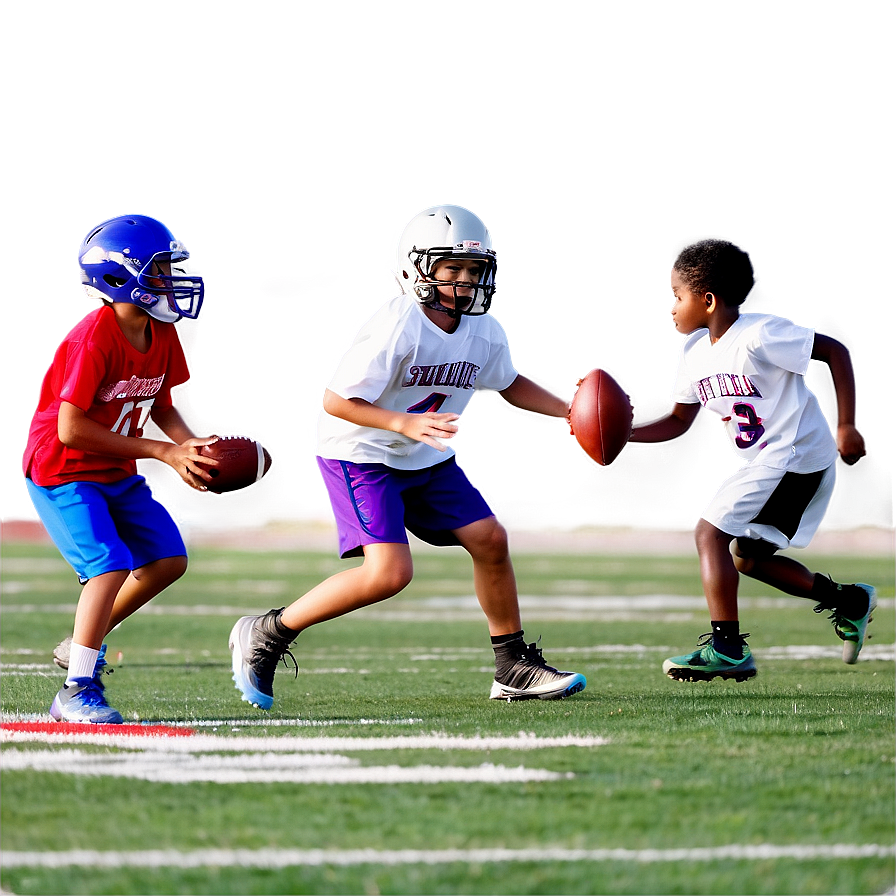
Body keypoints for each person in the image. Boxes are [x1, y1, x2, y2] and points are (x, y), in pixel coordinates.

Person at [229, 204, 586, 709]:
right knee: (389, 575)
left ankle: (511, 666)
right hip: (361, 453)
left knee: (489, 538)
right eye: (452, 268)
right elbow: (335, 400)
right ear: (415, 268)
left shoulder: (483, 331)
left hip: (422, 455)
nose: (466, 280)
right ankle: (269, 631)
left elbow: (508, 384)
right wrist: (402, 422)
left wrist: (570, 412)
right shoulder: (396, 326)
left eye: (474, 269)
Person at [629, 238, 875, 681]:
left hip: (795, 455)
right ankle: (849, 600)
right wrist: (623, 434)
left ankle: (727, 648)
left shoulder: (759, 334)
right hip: (772, 462)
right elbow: (677, 421)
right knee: (747, 557)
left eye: (676, 296)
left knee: (709, 534)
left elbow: (835, 350)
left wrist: (847, 424)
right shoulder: (692, 352)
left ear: (707, 300)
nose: (670, 307)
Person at [24, 213, 217, 723]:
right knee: (107, 565)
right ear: (118, 277)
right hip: (64, 471)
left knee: (167, 560)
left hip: (114, 470)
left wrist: (188, 447)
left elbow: (162, 406)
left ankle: (83, 641)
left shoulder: (160, 333)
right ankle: (75, 688)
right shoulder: (95, 337)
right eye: (158, 271)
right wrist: (161, 453)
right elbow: (69, 429)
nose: (169, 281)